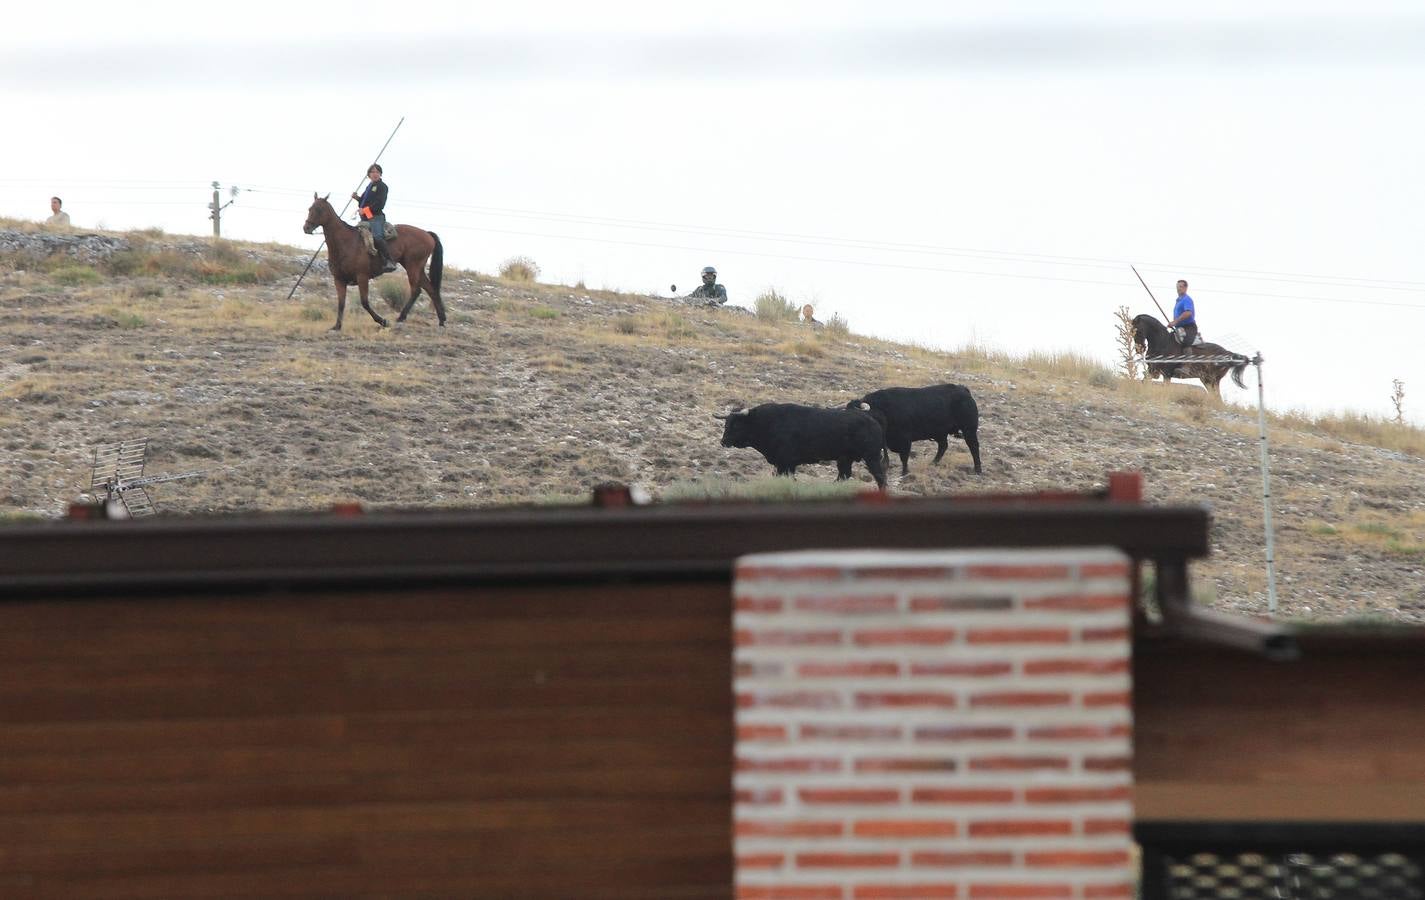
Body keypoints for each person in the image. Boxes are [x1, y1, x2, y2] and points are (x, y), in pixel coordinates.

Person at [351, 164, 397, 273]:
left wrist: (365, 210)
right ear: (369, 175)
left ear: (380, 174)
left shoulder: (382, 186)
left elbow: (379, 204)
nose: (375, 174)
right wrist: (357, 198)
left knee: (377, 237)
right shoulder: (369, 186)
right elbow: (363, 201)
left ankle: (389, 261)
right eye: (372, 172)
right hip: (366, 218)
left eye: (377, 172)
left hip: (376, 217)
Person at [1167, 278, 1199, 347]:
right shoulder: (1178, 301)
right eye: (1177, 287)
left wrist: (1175, 322)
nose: (1178, 289)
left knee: (1186, 343)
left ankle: (1189, 357)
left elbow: (1188, 313)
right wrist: (1173, 323)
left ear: (1186, 288)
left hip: (1189, 328)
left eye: (1180, 287)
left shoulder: (1186, 299)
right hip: (1179, 328)